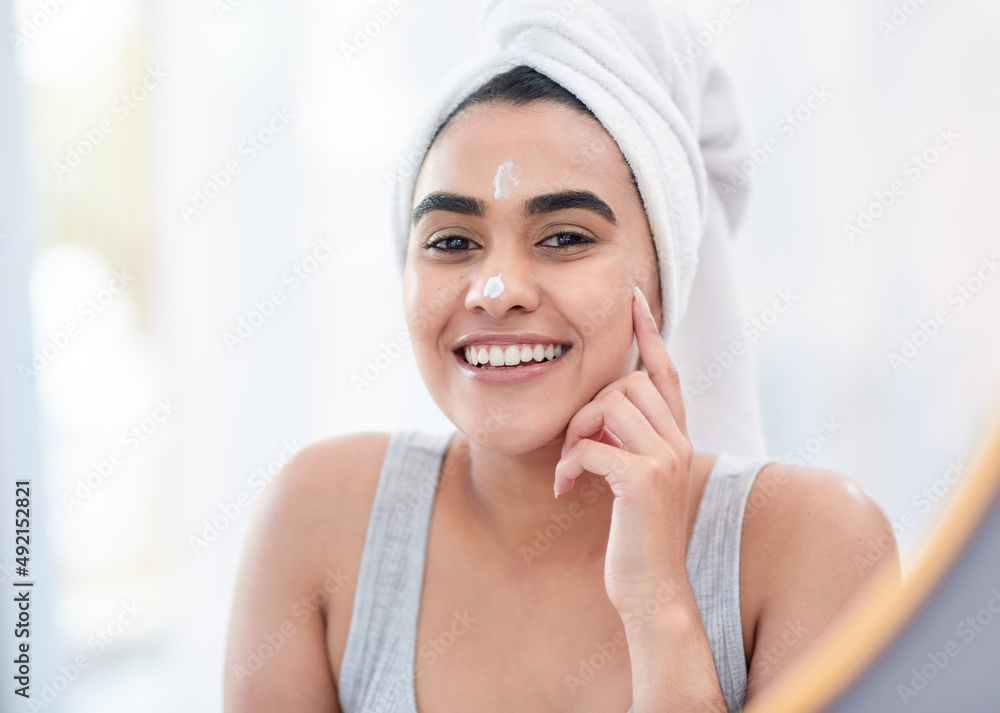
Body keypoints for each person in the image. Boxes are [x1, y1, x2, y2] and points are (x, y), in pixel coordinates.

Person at [224, 4, 901, 712]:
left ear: (665, 282)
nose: (497, 290)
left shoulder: (815, 544)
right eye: (452, 241)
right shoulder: (320, 519)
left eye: (565, 237)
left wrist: (659, 603)